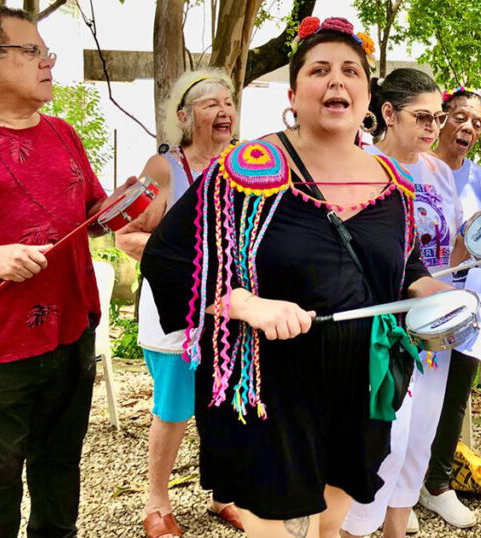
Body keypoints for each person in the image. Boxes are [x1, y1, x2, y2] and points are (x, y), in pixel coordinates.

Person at [141, 16, 450, 538]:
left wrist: (430, 291)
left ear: (368, 93)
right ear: (294, 91)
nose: (337, 81)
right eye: (320, 69)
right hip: (268, 383)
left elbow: (404, 265)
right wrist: (242, 304)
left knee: (331, 523)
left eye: (351, 70)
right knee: (279, 528)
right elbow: (167, 257)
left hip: (362, 380)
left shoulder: (394, 181)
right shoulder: (246, 167)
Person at [0, 7, 131, 537]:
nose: (47, 62)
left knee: (60, 475)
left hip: (72, 335)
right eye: (32, 51)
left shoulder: (63, 132)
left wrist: (130, 206)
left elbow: (92, 222)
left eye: (46, 52)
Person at [114, 68, 243, 538]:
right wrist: (191, 267)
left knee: (227, 400)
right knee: (174, 408)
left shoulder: (242, 165)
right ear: (186, 118)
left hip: (230, 309)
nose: (224, 111)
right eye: (211, 104)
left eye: (228, 102)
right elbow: (127, 236)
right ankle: (157, 503)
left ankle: (224, 494)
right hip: (178, 310)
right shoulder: (164, 166)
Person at [341, 68, 463, 538]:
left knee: (418, 443)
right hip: (385, 330)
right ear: (388, 114)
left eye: (439, 117)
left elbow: (448, 244)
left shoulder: (439, 171)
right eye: (423, 116)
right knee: (383, 445)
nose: (434, 127)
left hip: (433, 325)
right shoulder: (360, 165)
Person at [418, 85, 481, 529]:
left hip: (464, 302)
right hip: (412, 299)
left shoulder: (478, 178)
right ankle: (396, 489)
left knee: (454, 393)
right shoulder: (413, 168)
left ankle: (437, 484)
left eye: (477, 123)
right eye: (461, 116)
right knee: (406, 392)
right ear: (440, 117)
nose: (468, 127)